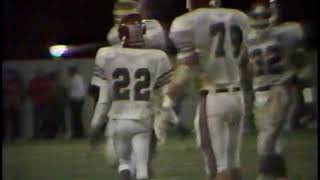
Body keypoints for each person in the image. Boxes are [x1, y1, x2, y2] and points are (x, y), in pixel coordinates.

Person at [165, 0, 253, 179]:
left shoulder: (188, 22)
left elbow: (185, 70)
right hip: (238, 96)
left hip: (213, 97)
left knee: (218, 167)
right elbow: (247, 65)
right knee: (233, 162)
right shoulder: (239, 17)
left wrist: (167, 99)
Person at [89, 13, 176, 180]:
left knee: (123, 163)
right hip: (142, 118)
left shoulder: (107, 56)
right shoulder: (155, 57)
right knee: (141, 168)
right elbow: (162, 95)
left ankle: (125, 170)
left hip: (118, 120)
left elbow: (104, 100)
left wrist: (95, 126)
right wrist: (174, 120)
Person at [246, 3, 305, 180]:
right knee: (275, 140)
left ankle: (263, 176)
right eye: (257, 17)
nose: (260, 21)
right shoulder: (284, 33)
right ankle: (280, 177)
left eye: (262, 16)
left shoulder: (253, 38)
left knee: (267, 138)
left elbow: (300, 63)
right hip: (264, 90)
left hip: (276, 89)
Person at [28, 70, 52, 139]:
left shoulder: (35, 81)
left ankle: (40, 135)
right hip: (41, 102)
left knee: (40, 120)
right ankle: (43, 135)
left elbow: (29, 91)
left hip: (41, 102)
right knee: (42, 120)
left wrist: (33, 98)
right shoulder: (45, 81)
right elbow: (30, 91)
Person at [67, 66, 86, 138]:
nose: (68, 73)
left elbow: (71, 90)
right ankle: (79, 133)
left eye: (69, 72)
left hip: (75, 100)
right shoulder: (79, 78)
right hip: (79, 99)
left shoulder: (74, 79)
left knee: (75, 118)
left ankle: (77, 133)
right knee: (77, 117)